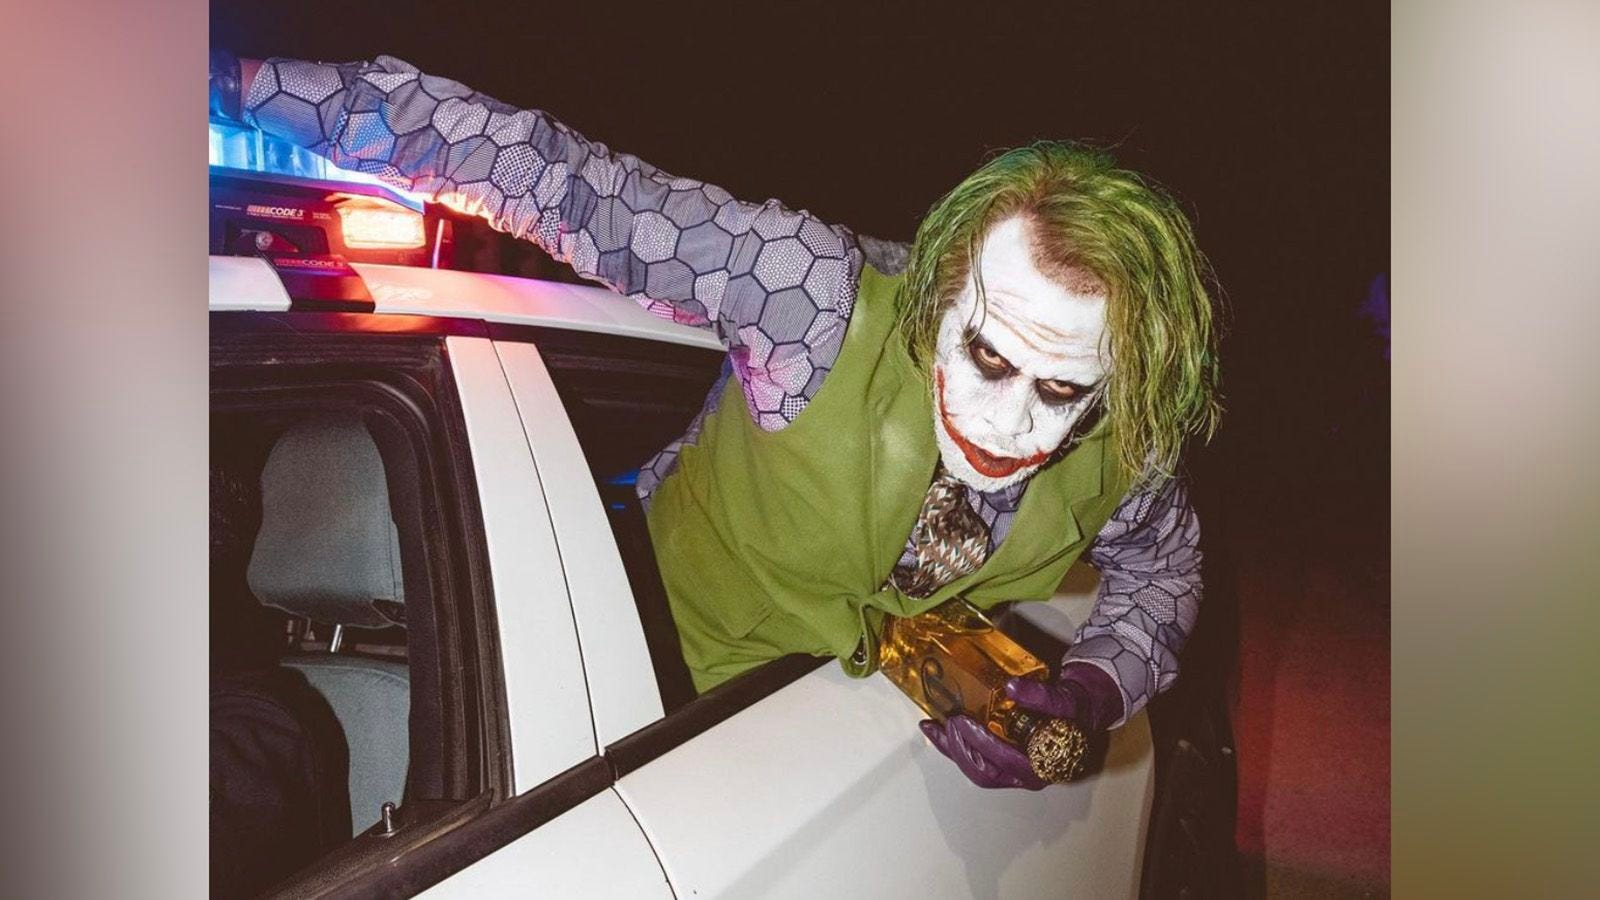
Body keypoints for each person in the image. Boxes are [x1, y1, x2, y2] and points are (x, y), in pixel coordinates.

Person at [210, 51, 1220, 791]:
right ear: (938, 291)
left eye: (1062, 392)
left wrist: (1096, 688)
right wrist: (237, 85)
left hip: (839, 759)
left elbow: (1165, 571)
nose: (1008, 425)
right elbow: (565, 182)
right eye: (988, 356)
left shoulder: (1127, 451)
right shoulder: (810, 300)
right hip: (631, 714)